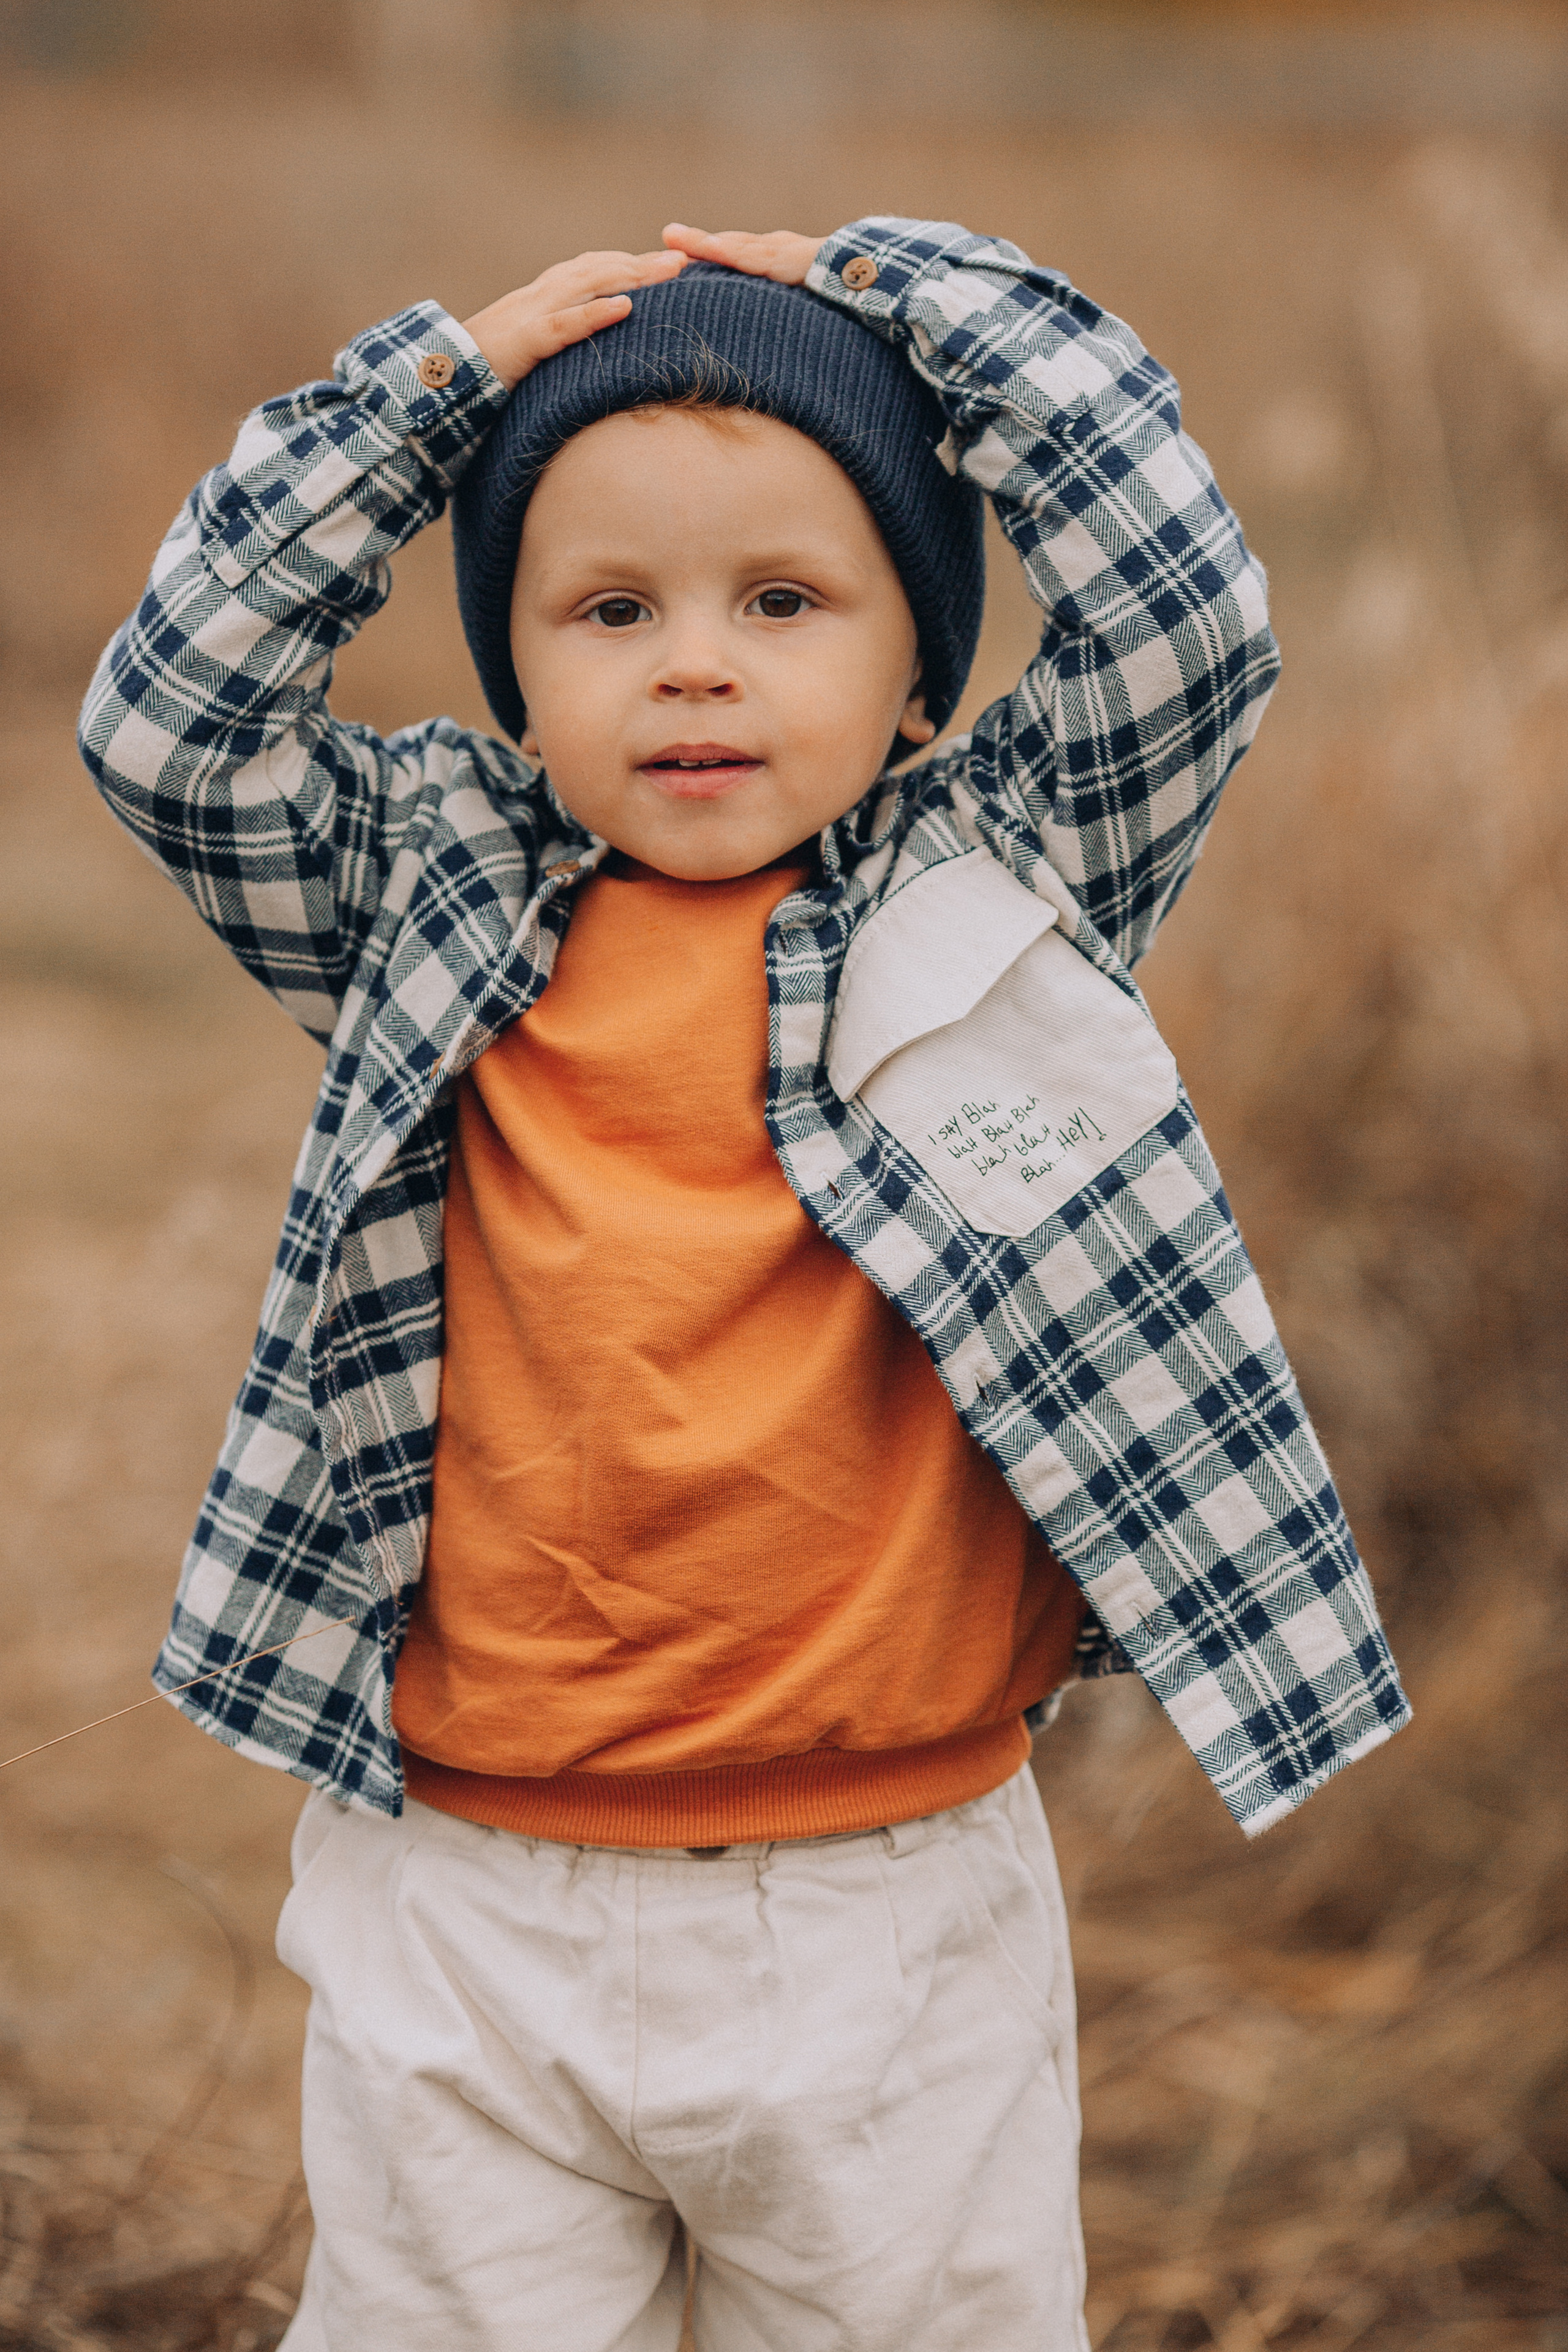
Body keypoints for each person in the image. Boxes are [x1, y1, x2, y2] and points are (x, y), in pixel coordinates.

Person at [78, 216, 1409, 2350]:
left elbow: (1183, 607)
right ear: (518, 673)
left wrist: (907, 293)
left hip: (887, 1915)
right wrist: (424, 407)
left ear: (914, 675)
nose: (695, 664)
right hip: (474, 1901)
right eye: (609, 609)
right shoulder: (431, 889)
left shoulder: (999, 883)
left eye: (784, 602)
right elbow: (171, 724)